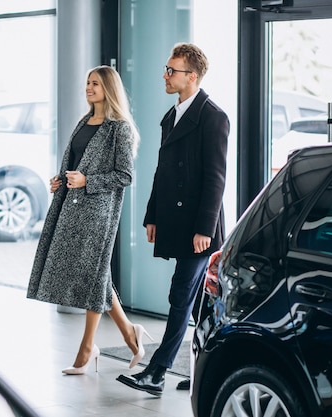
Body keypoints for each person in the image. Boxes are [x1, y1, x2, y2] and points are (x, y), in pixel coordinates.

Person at [116, 43, 229, 396]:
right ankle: (204, 374)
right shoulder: (172, 116)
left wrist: (204, 229)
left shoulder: (213, 117)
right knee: (198, 303)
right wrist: (153, 215)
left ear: (191, 77)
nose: (165, 76)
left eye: (172, 71)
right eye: (166, 69)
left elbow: (216, 178)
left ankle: (157, 371)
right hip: (175, 220)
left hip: (199, 228)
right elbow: (162, 172)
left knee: (181, 295)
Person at [27, 65, 152, 375]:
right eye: (87, 82)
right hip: (71, 208)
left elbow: (125, 176)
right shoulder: (85, 121)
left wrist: (88, 181)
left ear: (108, 88)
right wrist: (61, 179)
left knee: (93, 274)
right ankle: (130, 335)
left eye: (95, 83)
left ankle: (87, 347)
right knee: (95, 273)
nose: (89, 87)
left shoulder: (118, 128)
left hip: (98, 214)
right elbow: (75, 163)